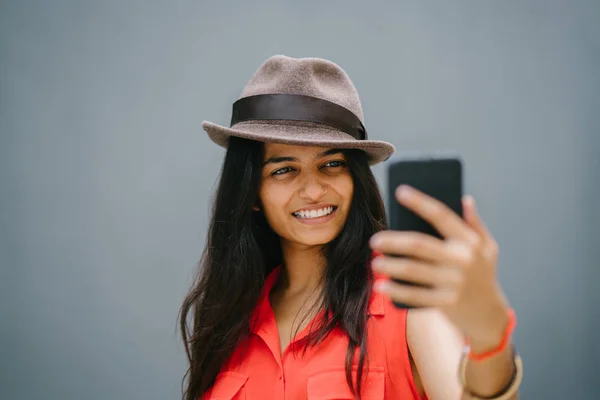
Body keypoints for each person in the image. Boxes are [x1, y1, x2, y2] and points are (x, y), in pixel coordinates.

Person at [179, 55, 523, 400]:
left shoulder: (406, 299)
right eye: (284, 170)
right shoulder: (232, 320)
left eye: (332, 164)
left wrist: (490, 337)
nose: (313, 190)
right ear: (252, 192)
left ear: (355, 178)